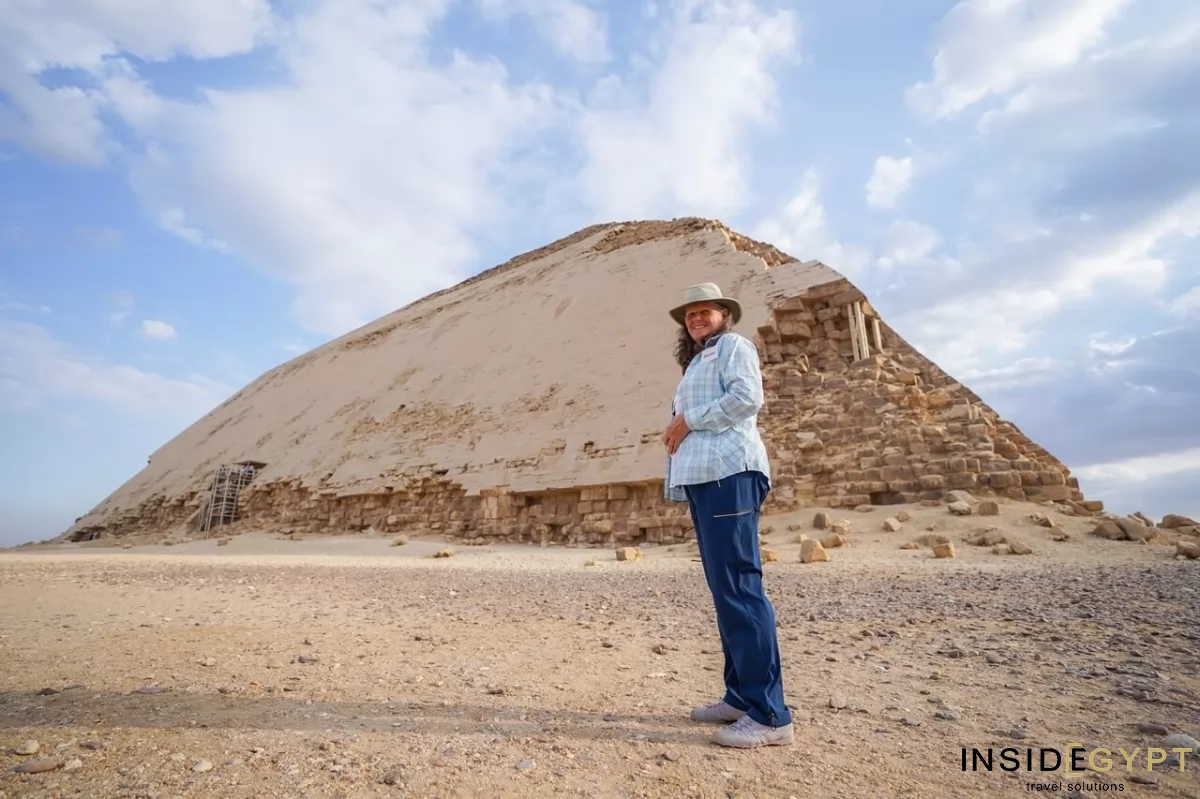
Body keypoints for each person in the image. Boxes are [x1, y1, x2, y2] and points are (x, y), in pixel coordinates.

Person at [661, 281, 795, 749]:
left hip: (729, 474)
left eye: (705, 311)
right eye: (690, 313)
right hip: (705, 480)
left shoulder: (733, 347)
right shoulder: (700, 357)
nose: (696, 318)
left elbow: (746, 400)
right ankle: (740, 696)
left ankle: (770, 715)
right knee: (725, 591)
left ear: (725, 314)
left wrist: (688, 420)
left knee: (739, 587)